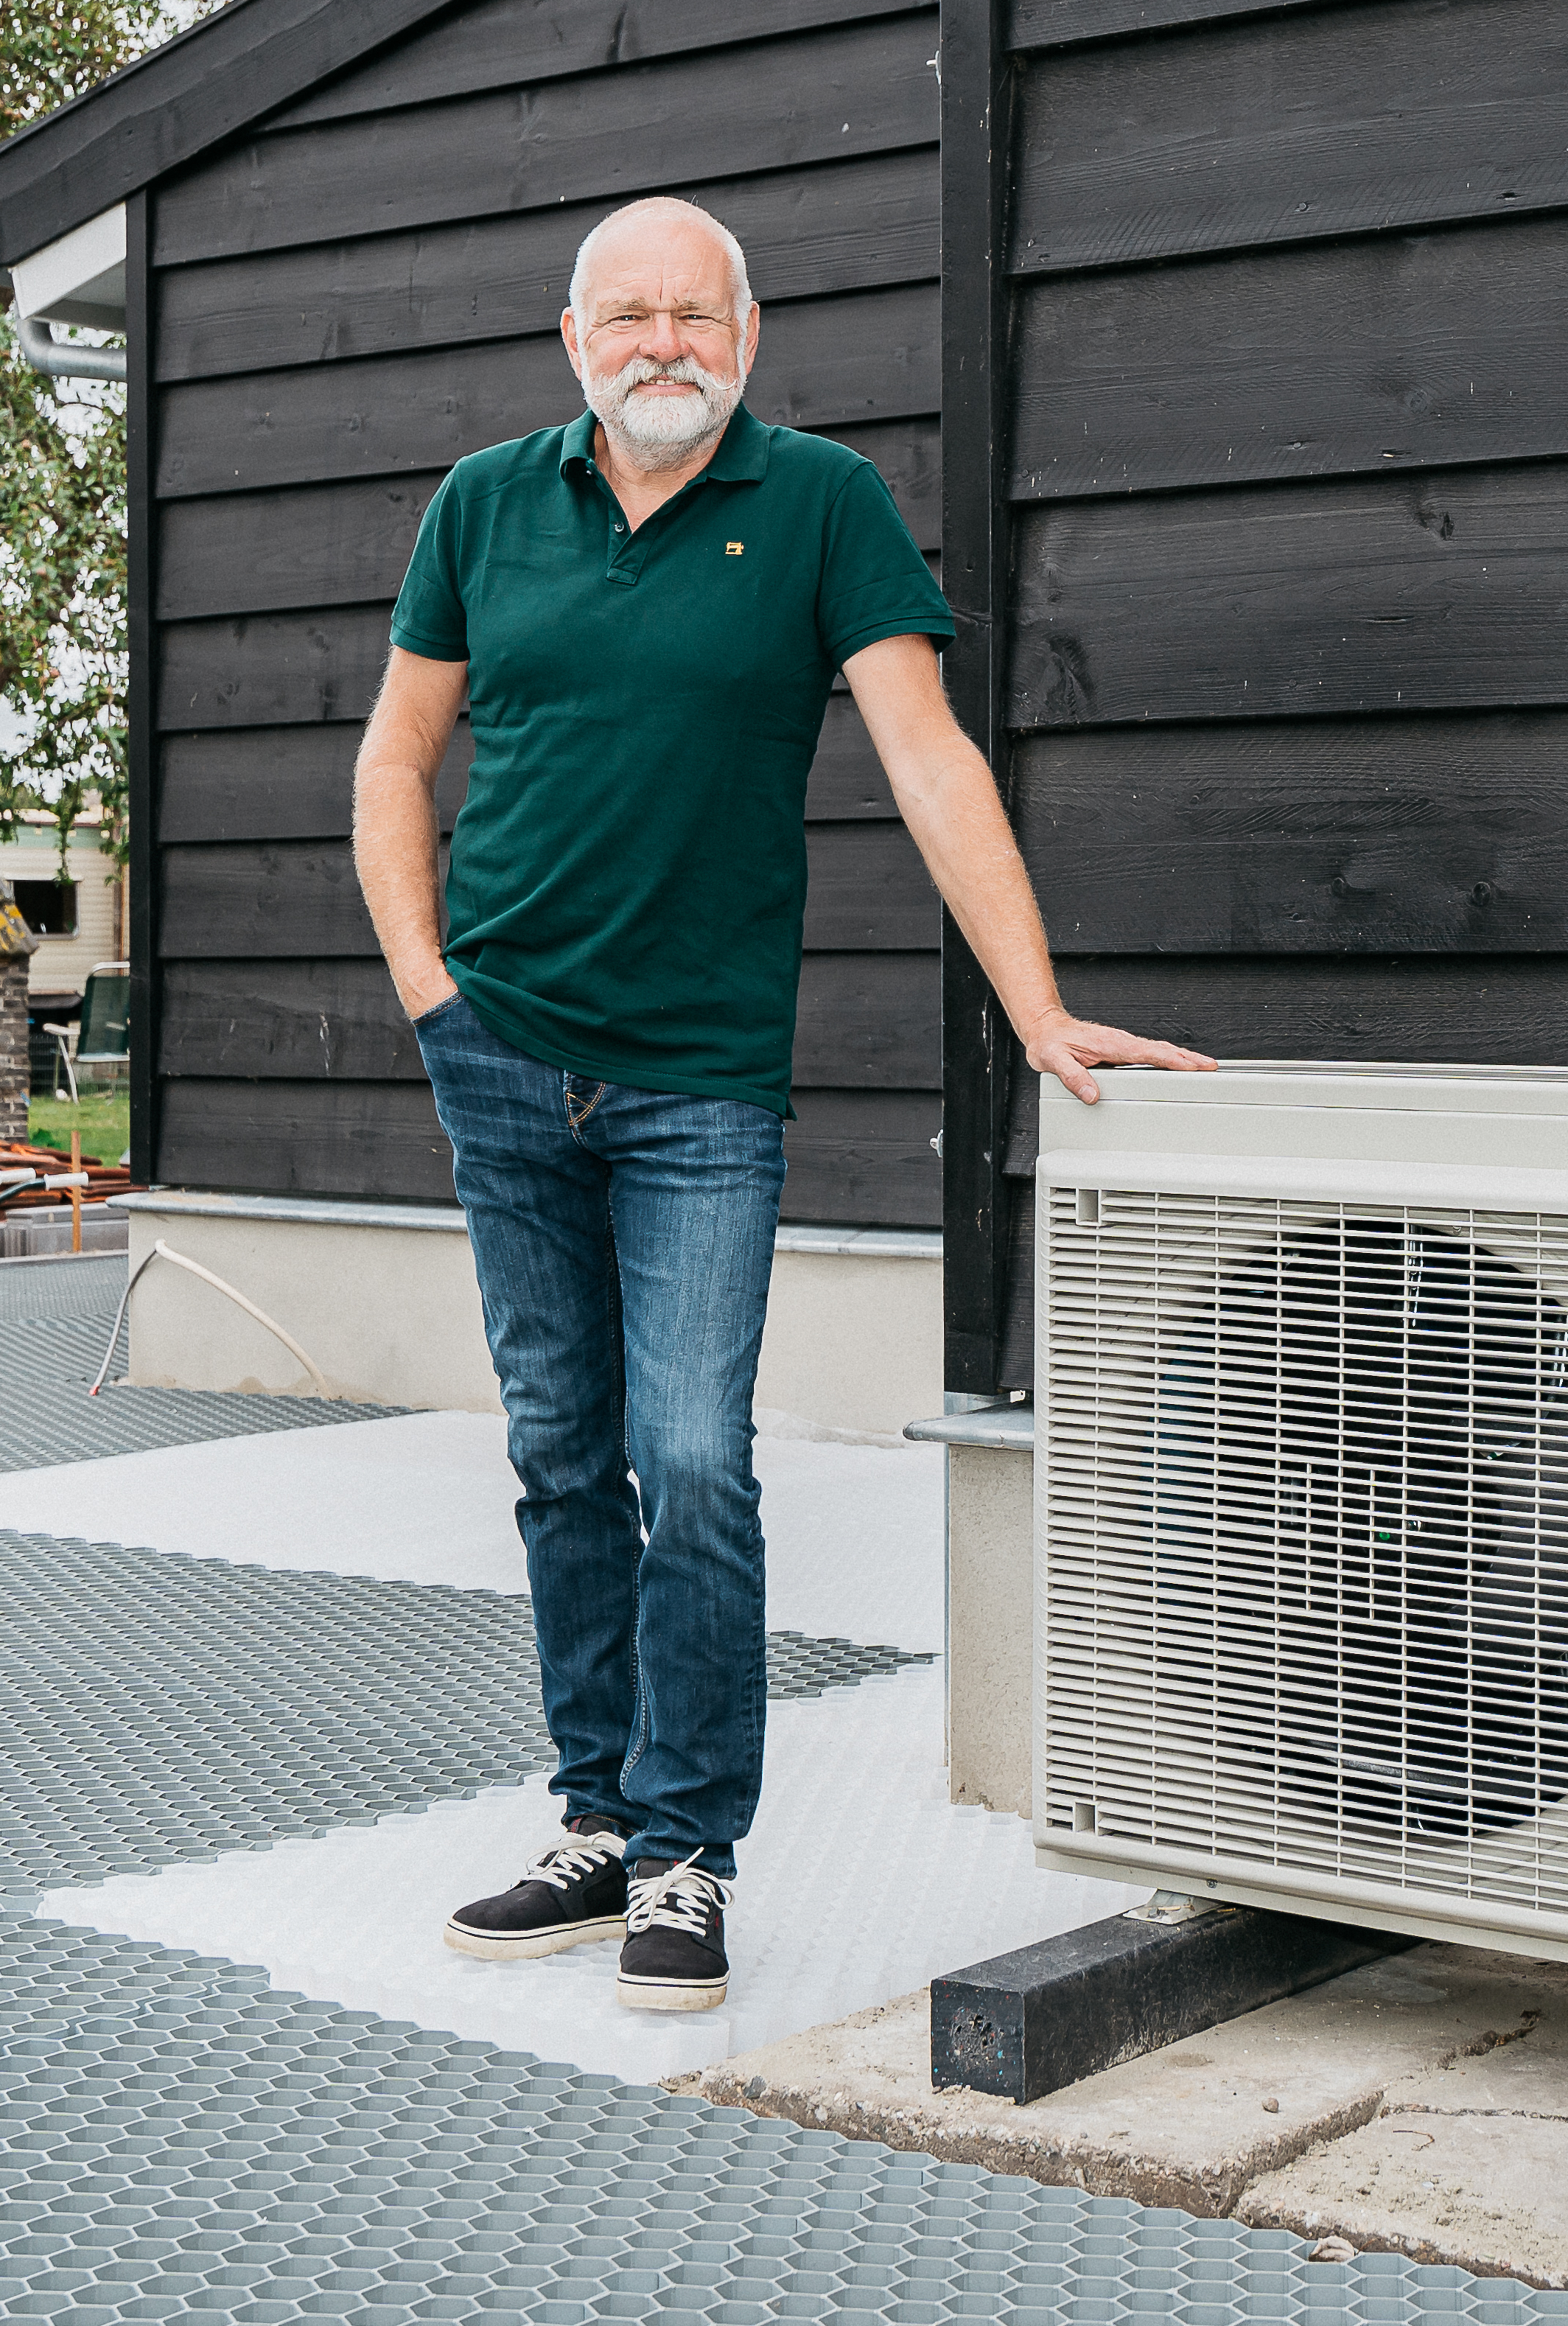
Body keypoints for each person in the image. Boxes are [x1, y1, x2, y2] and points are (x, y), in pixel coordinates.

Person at [352, 195, 1209, 2014]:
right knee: (560, 1456)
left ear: (746, 338)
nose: (661, 343)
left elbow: (926, 753)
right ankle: (594, 1820)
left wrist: (1038, 1006)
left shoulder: (817, 504)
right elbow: (398, 753)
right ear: (570, 335)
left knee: (692, 1460)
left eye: (695, 316)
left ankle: (685, 1857)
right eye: (626, 314)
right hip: (498, 1053)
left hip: (698, 1086)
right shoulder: (483, 506)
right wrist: (429, 988)